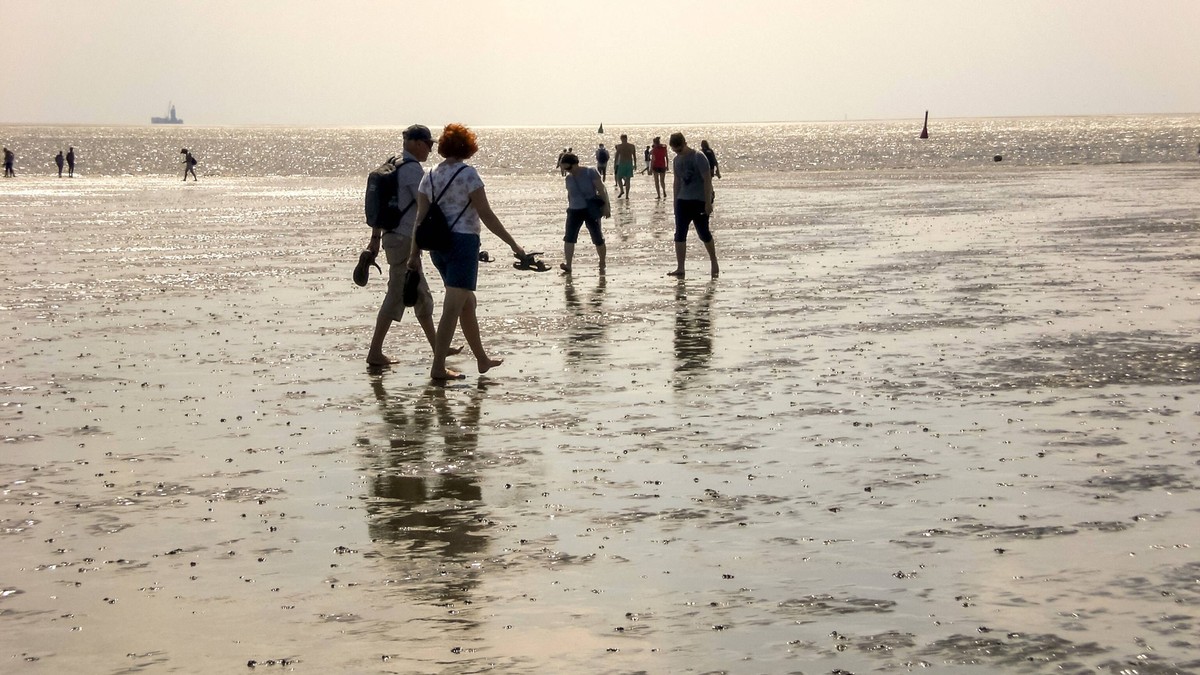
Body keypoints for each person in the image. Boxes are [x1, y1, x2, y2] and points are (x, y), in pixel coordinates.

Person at [407, 123, 531, 380]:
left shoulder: (428, 175)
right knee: (452, 308)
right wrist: (513, 244)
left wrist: (413, 253)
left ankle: (482, 359)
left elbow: (420, 219)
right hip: (463, 244)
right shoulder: (468, 174)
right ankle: (438, 367)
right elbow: (485, 214)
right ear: (467, 148)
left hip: (436, 246)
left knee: (467, 304)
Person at [366, 124, 461, 366]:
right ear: (417, 143)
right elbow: (426, 204)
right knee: (396, 294)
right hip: (404, 240)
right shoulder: (411, 170)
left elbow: (383, 209)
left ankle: (438, 347)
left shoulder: (393, 164)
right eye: (428, 144)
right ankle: (375, 352)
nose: (430, 150)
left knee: (421, 297)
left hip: (392, 237)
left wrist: (375, 240)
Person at [666, 132, 718, 279]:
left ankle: (714, 261)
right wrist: (675, 202)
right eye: (675, 150)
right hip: (683, 200)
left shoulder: (698, 157)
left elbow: (707, 180)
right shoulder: (676, 160)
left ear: (685, 142)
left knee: (703, 233)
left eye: (679, 149)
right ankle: (680, 267)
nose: (677, 152)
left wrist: (708, 202)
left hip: (699, 200)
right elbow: (676, 182)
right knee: (679, 234)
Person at [557, 152, 610, 275]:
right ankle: (568, 265)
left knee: (597, 238)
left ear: (575, 164)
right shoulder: (569, 178)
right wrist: (569, 208)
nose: (566, 170)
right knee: (569, 238)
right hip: (574, 211)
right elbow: (570, 194)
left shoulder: (590, 172)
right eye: (564, 168)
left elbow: (601, 189)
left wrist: (606, 207)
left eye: (568, 167)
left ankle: (602, 262)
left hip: (590, 209)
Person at [612, 134, 637, 198]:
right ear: (626, 138)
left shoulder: (619, 146)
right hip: (629, 163)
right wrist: (635, 164)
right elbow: (634, 156)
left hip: (622, 163)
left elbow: (616, 156)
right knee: (628, 180)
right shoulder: (632, 146)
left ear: (621, 139)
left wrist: (615, 165)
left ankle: (622, 190)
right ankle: (627, 195)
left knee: (618, 178)